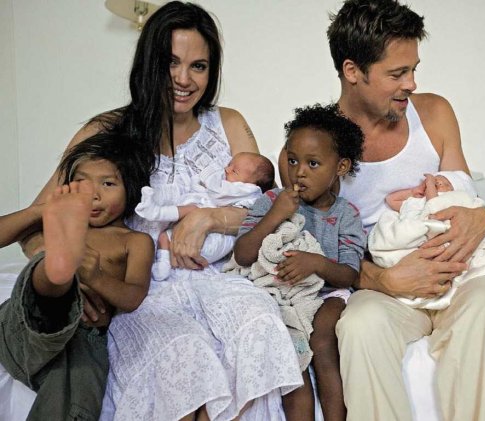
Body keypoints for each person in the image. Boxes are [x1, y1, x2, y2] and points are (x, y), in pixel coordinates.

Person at [18, 2, 303, 420]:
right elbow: (36, 225)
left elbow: (266, 209)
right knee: (183, 353)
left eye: (199, 66)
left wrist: (210, 217)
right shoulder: (106, 129)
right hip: (145, 290)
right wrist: (77, 278)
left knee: (258, 324)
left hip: (220, 281)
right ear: (149, 62)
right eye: (171, 62)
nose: (184, 79)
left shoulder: (229, 123)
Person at [279, 1, 485, 419]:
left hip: (460, 275)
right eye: (397, 73)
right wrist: (384, 279)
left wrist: (484, 218)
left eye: (413, 69)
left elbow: (464, 194)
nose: (411, 83)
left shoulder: (435, 113)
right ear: (352, 71)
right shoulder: (313, 151)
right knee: (359, 325)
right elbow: (315, 247)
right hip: (383, 285)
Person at [0, 133, 153, 420]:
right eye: (81, 184)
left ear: (131, 190)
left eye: (108, 184)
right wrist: (41, 210)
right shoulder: (62, 220)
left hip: (82, 336)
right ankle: (58, 271)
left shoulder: (134, 241)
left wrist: (95, 276)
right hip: (24, 323)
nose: (93, 194)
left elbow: (134, 296)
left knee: (78, 396)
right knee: (46, 276)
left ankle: (60, 270)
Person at [235, 104, 365, 421]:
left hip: (328, 293)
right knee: (292, 353)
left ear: (341, 166)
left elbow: (348, 275)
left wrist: (316, 263)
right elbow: (243, 254)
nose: (299, 172)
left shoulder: (346, 214)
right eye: (293, 160)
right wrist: (275, 215)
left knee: (322, 339)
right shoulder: (271, 201)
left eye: (313, 163)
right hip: (280, 296)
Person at [369, 170, 485, 310]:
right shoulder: (415, 201)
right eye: (437, 179)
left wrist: (430, 183)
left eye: (445, 183)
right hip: (408, 233)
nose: (437, 182)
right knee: (389, 230)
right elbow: (391, 199)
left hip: (430, 230)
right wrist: (414, 191)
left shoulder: (446, 201)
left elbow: (434, 208)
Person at [135, 152, 275, 281]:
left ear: (252, 185)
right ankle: (163, 265)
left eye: (234, 171)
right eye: (229, 164)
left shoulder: (248, 192)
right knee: (164, 237)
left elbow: (218, 196)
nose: (226, 169)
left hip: (215, 239)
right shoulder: (237, 184)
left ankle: (156, 212)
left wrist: (205, 182)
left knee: (193, 209)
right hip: (195, 247)